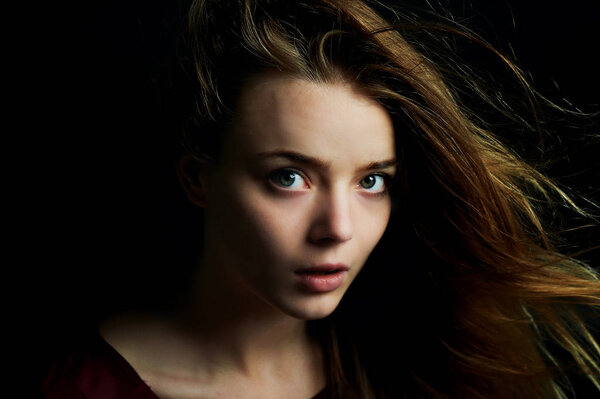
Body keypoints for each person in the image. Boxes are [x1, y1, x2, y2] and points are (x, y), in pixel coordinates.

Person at [41, 0, 600, 398]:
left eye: (371, 181)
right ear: (197, 178)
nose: (338, 228)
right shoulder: (88, 386)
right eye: (289, 177)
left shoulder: (409, 362)